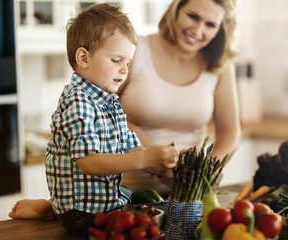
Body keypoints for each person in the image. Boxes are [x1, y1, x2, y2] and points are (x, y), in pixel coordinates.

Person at [9, 0, 240, 220]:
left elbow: (230, 132)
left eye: (210, 24)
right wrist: (150, 157)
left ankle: (56, 209)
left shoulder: (219, 64)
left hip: (173, 184)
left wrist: (202, 169)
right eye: (193, 16)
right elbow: (102, 140)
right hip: (128, 183)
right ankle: (59, 209)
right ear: (177, 10)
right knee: (122, 209)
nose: (198, 29)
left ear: (220, 28)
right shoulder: (127, 52)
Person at [17, 3, 179, 235]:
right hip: (82, 213)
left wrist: (159, 163)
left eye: (128, 62)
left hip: (104, 203)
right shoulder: (78, 100)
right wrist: (144, 159)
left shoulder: (109, 101)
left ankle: (50, 209)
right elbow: (89, 163)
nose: (125, 70)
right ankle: (58, 210)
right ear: (84, 57)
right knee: (156, 218)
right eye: (116, 60)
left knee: (154, 208)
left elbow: (128, 147)